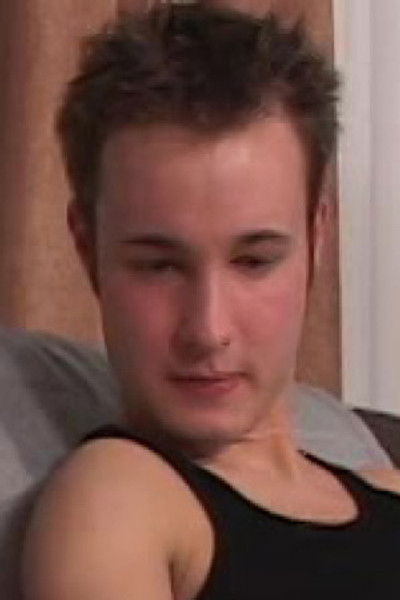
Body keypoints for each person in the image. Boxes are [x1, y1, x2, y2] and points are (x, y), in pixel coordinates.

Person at [22, 4, 400, 599]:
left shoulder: (385, 482)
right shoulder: (121, 499)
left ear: (317, 239)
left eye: (254, 261)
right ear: (87, 249)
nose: (208, 329)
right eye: (159, 266)